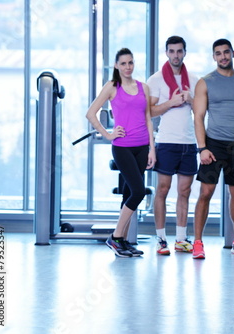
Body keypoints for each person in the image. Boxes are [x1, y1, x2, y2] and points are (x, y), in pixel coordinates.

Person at [192, 38, 234, 259]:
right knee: (206, 192)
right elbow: (199, 117)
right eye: (218, 53)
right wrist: (202, 148)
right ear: (214, 56)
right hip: (213, 144)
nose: (223, 56)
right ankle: (198, 242)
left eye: (226, 52)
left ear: (233, 53)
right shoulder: (205, 82)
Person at [86, 47, 156, 257]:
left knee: (128, 194)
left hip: (142, 147)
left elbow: (148, 119)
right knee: (138, 192)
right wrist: (108, 134)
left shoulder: (143, 87)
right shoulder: (112, 87)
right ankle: (116, 237)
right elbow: (90, 113)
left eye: (130, 63)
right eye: (123, 63)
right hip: (122, 148)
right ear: (116, 65)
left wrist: (152, 148)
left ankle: (123, 242)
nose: (127, 67)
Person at [146, 36, 199, 255]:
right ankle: (160, 239)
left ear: (185, 52)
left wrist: (190, 100)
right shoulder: (156, 79)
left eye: (179, 51)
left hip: (188, 142)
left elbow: (201, 112)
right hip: (166, 141)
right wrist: (171, 102)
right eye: (172, 51)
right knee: (163, 190)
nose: (176, 55)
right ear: (166, 53)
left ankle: (180, 239)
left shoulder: (194, 80)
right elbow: (149, 111)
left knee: (184, 192)